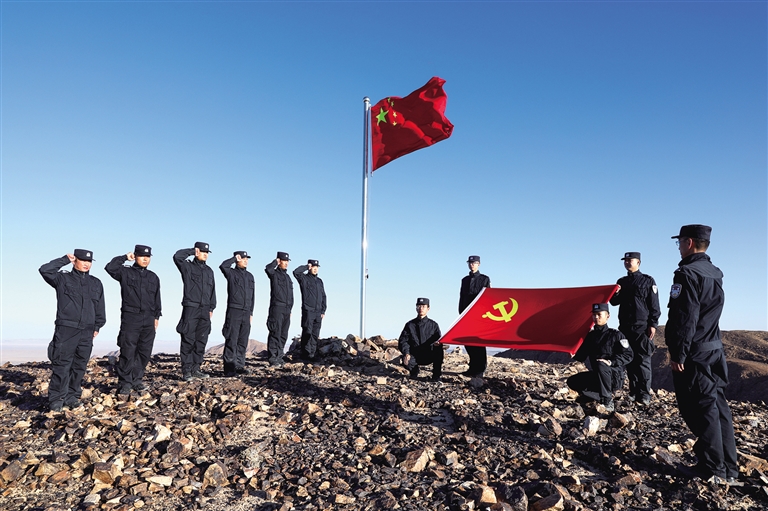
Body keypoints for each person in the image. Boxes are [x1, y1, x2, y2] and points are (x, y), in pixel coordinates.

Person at [666, 224, 738, 484]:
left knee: (701, 408)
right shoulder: (714, 273)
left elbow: (685, 318)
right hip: (714, 349)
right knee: (718, 406)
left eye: (680, 242)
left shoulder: (687, 274)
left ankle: (712, 468)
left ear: (689, 243)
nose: (679, 247)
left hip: (695, 353)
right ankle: (728, 467)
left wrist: (679, 353)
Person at [39, 249, 106, 412]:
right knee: (62, 365)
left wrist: (97, 326)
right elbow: (45, 270)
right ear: (75, 261)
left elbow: (100, 307)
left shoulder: (96, 283)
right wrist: (64, 259)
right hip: (67, 329)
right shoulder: (63, 279)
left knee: (79, 366)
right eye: (83, 260)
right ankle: (56, 399)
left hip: (87, 331)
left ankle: (71, 396)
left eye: (89, 261)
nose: (86, 264)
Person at [105, 245, 162, 394]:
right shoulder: (125, 272)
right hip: (131, 317)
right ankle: (125, 383)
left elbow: (157, 298)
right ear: (135, 256)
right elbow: (110, 268)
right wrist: (125, 257)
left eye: (148, 257)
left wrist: (156, 317)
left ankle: (137, 380)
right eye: (142, 256)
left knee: (144, 351)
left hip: (149, 318)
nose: (145, 259)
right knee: (128, 351)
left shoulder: (153, 277)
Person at [609, 251, 661, 405]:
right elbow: (614, 302)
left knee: (643, 360)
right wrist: (615, 293)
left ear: (638, 262)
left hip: (642, 327)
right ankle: (633, 391)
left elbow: (654, 304)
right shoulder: (622, 281)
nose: (627, 262)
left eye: (630, 260)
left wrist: (653, 324)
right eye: (625, 260)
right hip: (625, 327)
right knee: (629, 359)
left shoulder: (647, 280)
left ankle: (644, 393)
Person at [567, 303, 633, 412]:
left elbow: (628, 355)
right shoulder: (591, 336)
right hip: (598, 376)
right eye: (594, 315)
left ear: (608, 316)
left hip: (613, 378)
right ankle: (594, 397)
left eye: (599, 314)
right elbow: (582, 356)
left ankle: (607, 399)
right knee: (573, 381)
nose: (596, 317)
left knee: (601, 364)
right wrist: (574, 355)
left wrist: (610, 362)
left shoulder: (616, 335)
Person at [174, 242, 216, 381]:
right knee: (188, 339)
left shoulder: (209, 271)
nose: (205, 254)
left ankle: (196, 369)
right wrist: (192, 251)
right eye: (202, 252)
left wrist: (211, 308)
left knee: (201, 340)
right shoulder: (187, 267)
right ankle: (186, 371)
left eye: (206, 252)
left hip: (205, 310)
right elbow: (177, 256)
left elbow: (212, 291)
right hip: (191, 308)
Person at [219, 251, 255, 377]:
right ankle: (229, 369)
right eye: (243, 258)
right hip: (234, 310)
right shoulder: (231, 273)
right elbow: (223, 266)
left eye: (247, 259)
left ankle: (239, 366)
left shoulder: (250, 276)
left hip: (246, 312)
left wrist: (251, 312)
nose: (245, 261)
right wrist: (234, 259)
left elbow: (253, 296)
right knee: (232, 339)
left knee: (242, 340)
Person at [459, 255, 491, 377]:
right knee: (468, 342)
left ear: (479, 264)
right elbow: (461, 297)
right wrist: (461, 313)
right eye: (470, 263)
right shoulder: (464, 280)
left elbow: (488, 297)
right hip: (466, 315)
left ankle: (480, 370)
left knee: (478, 343)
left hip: (479, 316)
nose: (472, 265)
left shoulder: (484, 279)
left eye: (474, 263)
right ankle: (472, 368)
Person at [399, 298, 443, 381]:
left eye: (423, 306)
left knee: (439, 350)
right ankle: (414, 371)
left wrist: (437, 344)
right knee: (405, 359)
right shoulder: (409, 325)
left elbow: (438, 339)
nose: (421, 308)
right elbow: (403, 341)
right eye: (418, 306)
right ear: (416, 308)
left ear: (428, 309)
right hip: (414, 355)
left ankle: (436, 375)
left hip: (429, 354)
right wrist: (406, 353)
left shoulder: (434, 325)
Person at [293, 259, 327, 361]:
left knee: (315, 334)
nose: (315, 269)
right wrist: (306, 266)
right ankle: (305, 355)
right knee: (307, 332)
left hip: (318, 312)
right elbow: (296, 272)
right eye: (313, 267)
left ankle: (312, 354)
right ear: (310, 267)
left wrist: (323, 310)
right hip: (308, 310)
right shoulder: (304, 278)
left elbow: (323, 296)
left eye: (317, 267)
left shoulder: (319, 281)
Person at [265, 252, 294, 367]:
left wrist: (290, 309)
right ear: (279, 261)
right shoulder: (274, 274)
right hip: (277, 308)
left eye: (287, 261)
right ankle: (273, 359)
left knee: (283, 334)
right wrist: (275, 262)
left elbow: (290, 295)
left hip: (287, 309)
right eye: (283, 261)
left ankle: (279, 357)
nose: (286, 263)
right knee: (275, 333)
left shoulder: (287, 277)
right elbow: (268, 269)